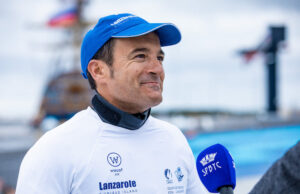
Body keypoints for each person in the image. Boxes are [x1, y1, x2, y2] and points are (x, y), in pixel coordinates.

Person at [16, 13, 206, 194]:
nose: (157, 68)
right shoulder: (54, 151)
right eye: (140, 56)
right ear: (98, 70)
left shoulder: (174, 139)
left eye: (160, 57)